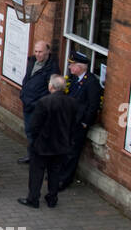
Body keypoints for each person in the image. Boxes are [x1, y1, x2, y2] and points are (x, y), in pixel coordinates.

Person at [19, 74, 78, 208]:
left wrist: (34, 140)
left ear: (51, 86)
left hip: (43, 144)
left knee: (37, 172)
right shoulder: (72, 102)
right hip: (61, 144)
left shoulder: (44, 102)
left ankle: (33, 198)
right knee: (55, 172)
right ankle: (52, 198)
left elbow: (34, 125)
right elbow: (73, 124)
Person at [57, 51, 103, 192]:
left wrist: (85, 123)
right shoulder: (73, 78)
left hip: (78, 123)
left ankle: (64, 179)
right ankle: (58, 175)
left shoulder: (91, 83)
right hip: (68, 120)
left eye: (72, 65)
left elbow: (93, 106)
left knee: (72, 152)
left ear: (81, 67)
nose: (70, 68)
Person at [17, 40, 56, 164]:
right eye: (36, 51)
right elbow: (27, 78)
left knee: (38, 133)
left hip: (38, 107)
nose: (38, 54)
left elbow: (50, 91)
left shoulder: (52, 68)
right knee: (29, 131)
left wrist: (37, 103)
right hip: (27, 104)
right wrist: (23, 94)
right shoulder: (32, 61)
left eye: (40, 52)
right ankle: (31, 155)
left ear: (47, 52)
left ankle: (38, 158)